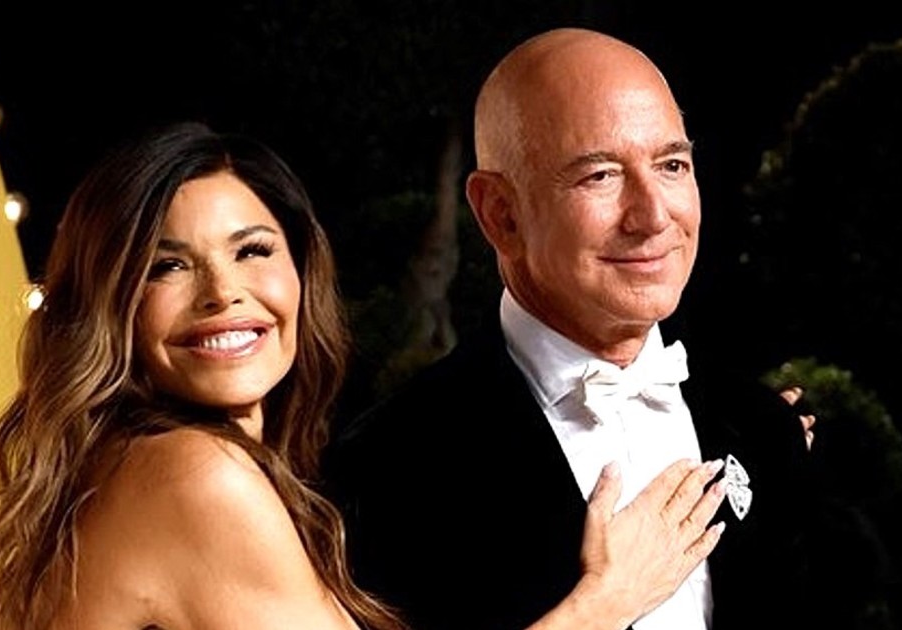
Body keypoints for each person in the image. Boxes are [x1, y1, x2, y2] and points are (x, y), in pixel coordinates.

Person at [0, 120, 731, 630]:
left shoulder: (150, 467)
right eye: (167, 266)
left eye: (253, 251)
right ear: (111, 302)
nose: (224, 293)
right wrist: (606, 601)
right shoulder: (191, 475)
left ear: (300, 271)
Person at [323, 28, 837, 630]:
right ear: (501, 214)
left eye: (672, 165)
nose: (653, 216)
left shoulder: (761, 426)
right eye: (600, 176)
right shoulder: (386, 466)